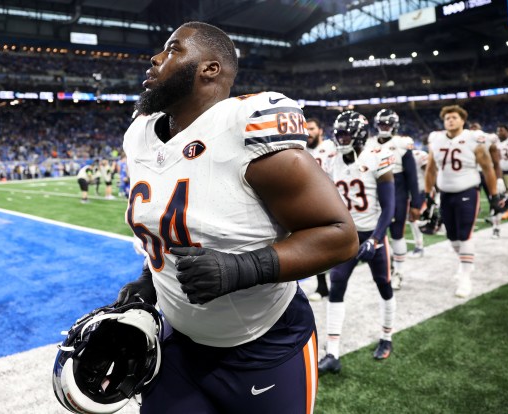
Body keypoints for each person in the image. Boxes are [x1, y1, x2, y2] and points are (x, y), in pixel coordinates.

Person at [114, 21, 358, 414]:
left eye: (174, 49)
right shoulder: (139, 135)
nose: (156, 58)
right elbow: (165, 227)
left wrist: (239, 269)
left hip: (264, 344)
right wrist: (149, 282)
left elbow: (340, 234)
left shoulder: (245, 126)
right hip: (181, 342)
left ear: (210, 68)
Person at [317, 111, 396, 375]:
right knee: (336, 284)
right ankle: (333, 354)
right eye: (337, 134)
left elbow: (389, 207)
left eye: (345, 134)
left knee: (383, 283)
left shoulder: (377, 157)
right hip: (346, 234)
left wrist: (375, 239)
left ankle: (387, 337)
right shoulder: (330, 160)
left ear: (360, 134)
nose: (340, 139)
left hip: (373, 232)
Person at [425, 105, 505, 298]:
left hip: (468, 191)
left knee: (465, 234)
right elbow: (430, 169)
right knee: (452, 237)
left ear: (462, 120)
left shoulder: (473, 138)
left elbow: (487, 168)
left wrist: (494, 195)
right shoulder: (436, 139)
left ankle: (466, 276)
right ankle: (465, 263)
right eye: (447, 118)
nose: (450, 121)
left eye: (454, 117)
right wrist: (428, 195)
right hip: (445, 194)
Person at [369, 109, 422, 289]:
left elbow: (412, 176)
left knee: (397, 234)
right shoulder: (369, 143)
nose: (384, 127)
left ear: (394, 125)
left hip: (398, 192)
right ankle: (387, 268)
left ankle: (399, 271)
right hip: (375, 193)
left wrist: (416, 203)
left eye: (387, 124)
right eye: (382, 123)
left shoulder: (402, 143)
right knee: (378, 234)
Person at [302, 117, 337, 301]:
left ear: (321, 130)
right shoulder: (302, 150)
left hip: (333, 201)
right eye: (306, 129)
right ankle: (323, 286)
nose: (309, 132)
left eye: (313, 128)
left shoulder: (332, 147)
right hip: (311, 203)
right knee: (319, 245)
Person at [469, 122, 506, 237]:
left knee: (494, 200)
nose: (474, 128)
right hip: (472, 174)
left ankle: (496, 228)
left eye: (476, 126)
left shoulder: (489, 138)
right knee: (469, 202)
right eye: (472, 126)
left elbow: (496, 162)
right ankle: (467, 232)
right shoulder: (464, 139)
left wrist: (499, 179)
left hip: (487, 173)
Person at [408, 148, 429, 258]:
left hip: (420, 192)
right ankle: (419, 245)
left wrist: (433, 192)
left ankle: (419, 246)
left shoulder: (419, 155)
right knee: (413, 220)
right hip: (408, 193)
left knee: (415, 219)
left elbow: (429, 173)